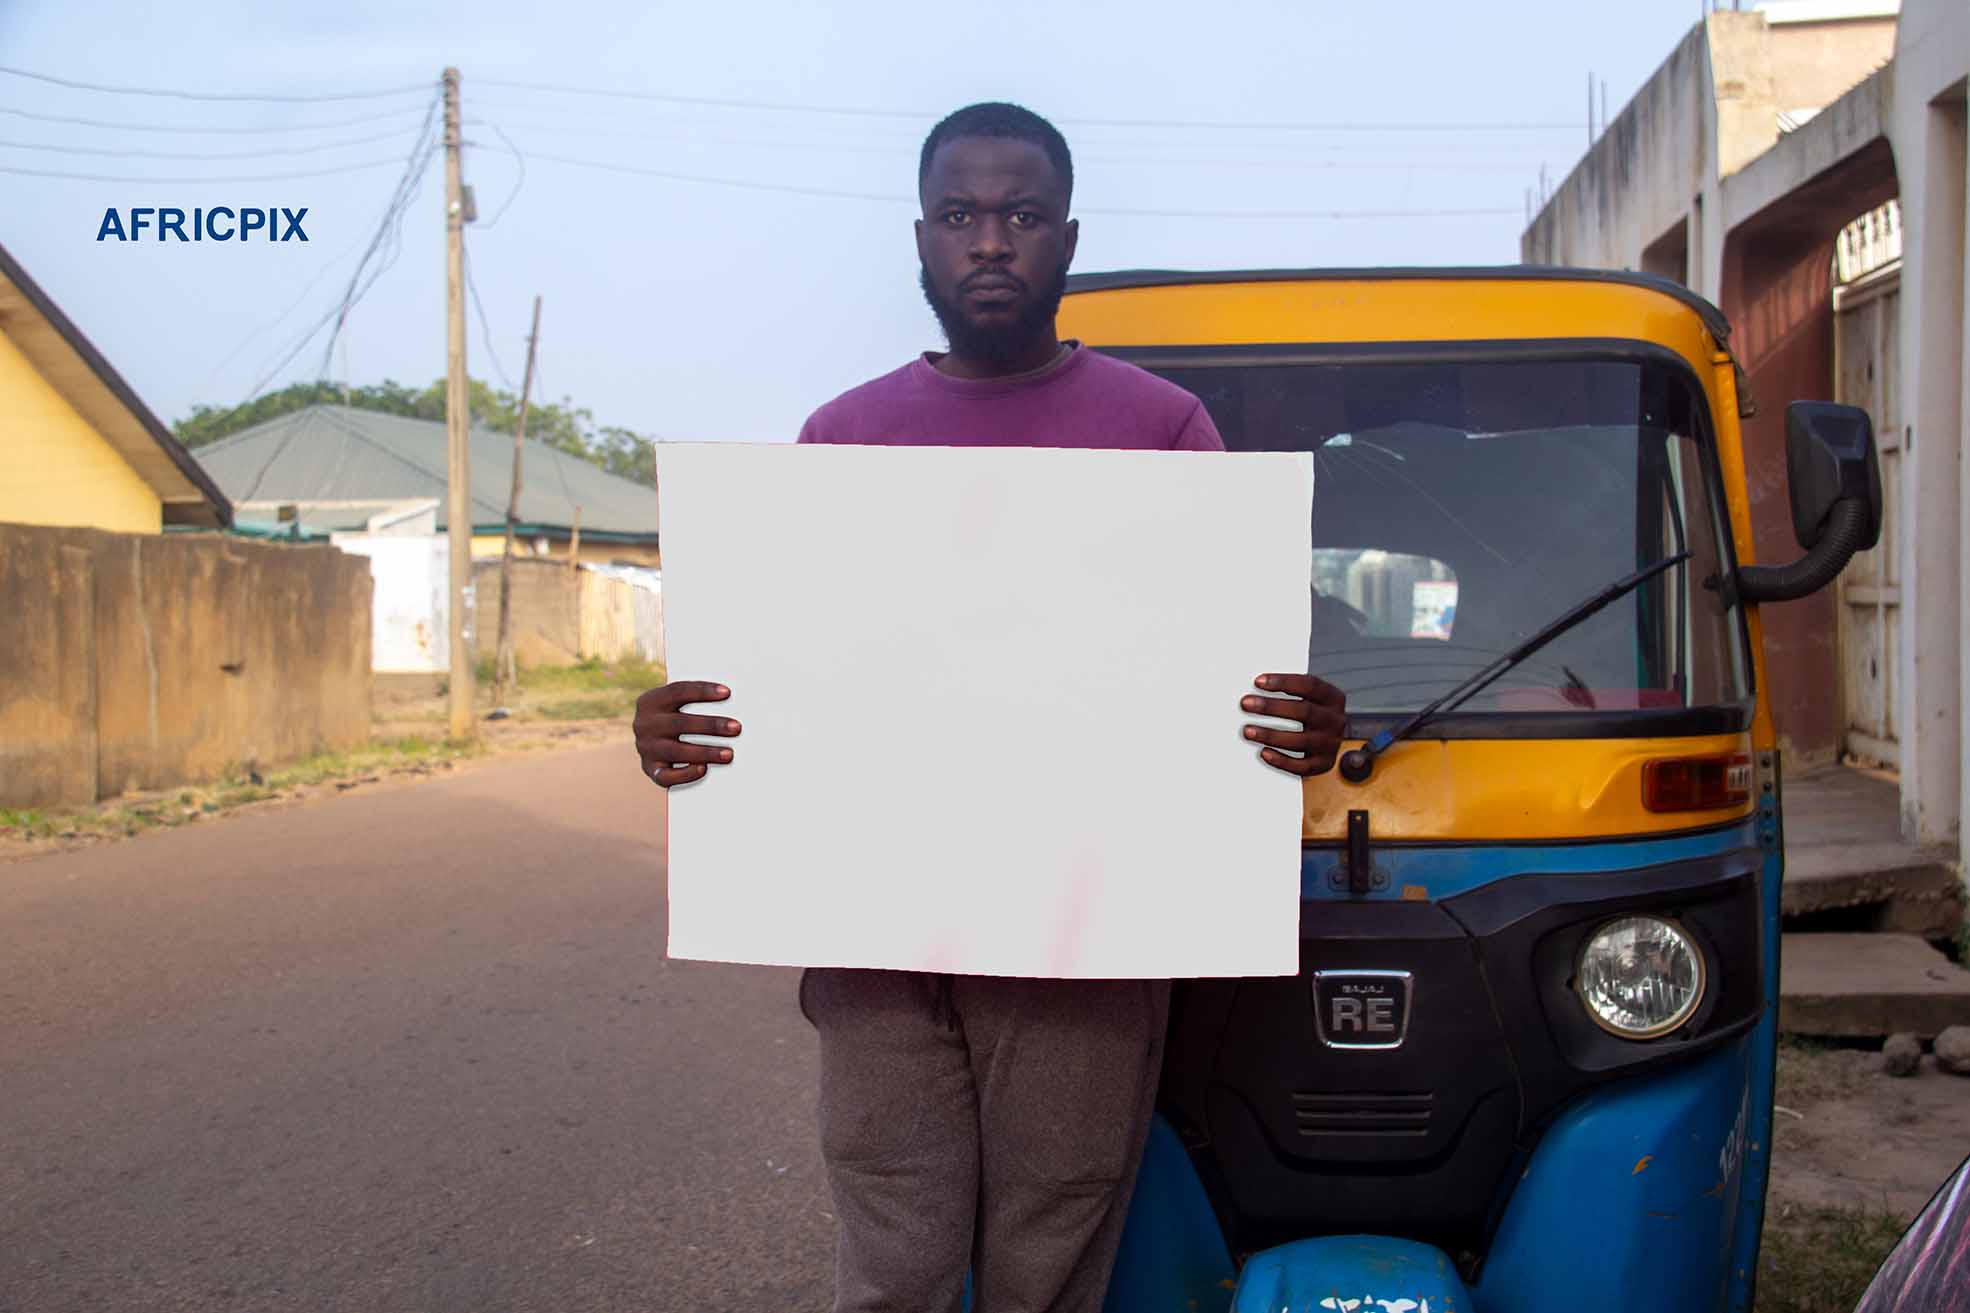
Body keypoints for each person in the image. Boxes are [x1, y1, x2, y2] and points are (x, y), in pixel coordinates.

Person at [633, 101, 1347, 1313]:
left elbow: (1233, 673)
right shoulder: (839, 437)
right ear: (919, 239)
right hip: (873, 934)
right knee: (895, 1258)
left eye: (1021, 215)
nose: (990, 241)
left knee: (1048, 1257)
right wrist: (677, 732)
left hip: (1084, 933)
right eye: (960, 214)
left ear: (1066, 239)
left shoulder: (1163, 429)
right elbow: (769, 677)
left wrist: (1296, 724)